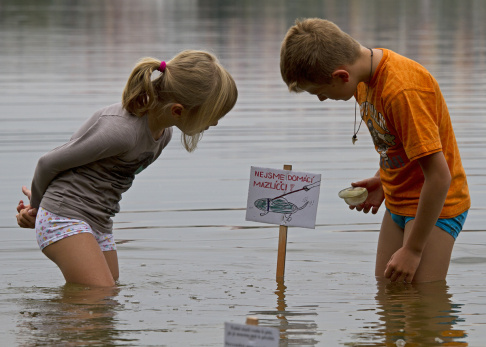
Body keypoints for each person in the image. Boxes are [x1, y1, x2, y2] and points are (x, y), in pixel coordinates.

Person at [16, 50, 238, 287]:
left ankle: (51, 321)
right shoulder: (122, 131)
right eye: (212, 116)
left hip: (98, 219)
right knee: (99, 293)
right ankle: (42, 324)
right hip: (65, 214)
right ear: (177, 110)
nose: (214, 123)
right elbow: (48, 163)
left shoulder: (162, 135)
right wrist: (38, 209)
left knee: (109, 293)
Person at [280, 18, 470, 283]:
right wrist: (383, 178)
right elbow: (398, 141)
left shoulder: (402, 90)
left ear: (340, 76)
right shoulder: (363, 79)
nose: (322, 99)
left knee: (423, 306)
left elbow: (439, 177)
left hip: (435, 204)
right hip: (399, 198)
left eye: (320, 92)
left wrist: (414, 250)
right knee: (388, 292)